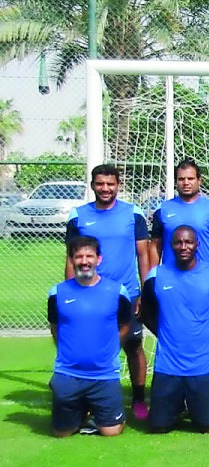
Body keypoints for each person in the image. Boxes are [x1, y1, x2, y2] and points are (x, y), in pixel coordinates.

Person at [66, 164, 151, 420]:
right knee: (90, 347)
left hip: (127, 295)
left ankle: (138, 399)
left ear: (118, 185)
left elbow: (143, 254)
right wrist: (70, 294)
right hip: (90, 295)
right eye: (100, 184)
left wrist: (145, 292)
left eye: (110, 184)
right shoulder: (78, 216)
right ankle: (90, 398)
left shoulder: (132, 213)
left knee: (133, 346)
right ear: (92, 185)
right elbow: (71, 259)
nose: (105, 188)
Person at [139, 226, 209, 434]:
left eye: (188, 242)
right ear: (171, 246)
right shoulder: (156, 276)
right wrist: (165, 332)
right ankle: (177, 405)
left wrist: (208, 333)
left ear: (197, 245)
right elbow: (146, 312)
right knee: (158, 427)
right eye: (178, 242)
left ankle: (198, 404)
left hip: (203, 366)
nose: (184, 247)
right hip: (168, 367)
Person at [48, 236, 133, 437]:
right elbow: (55, 328)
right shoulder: (57, 293)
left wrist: (110, 351)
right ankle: (78, 410)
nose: (84, 261)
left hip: (103, 374)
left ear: (99, 259)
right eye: (78, 257)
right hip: (68, 372)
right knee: (62, 433)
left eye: (89, 256)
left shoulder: (118, 292)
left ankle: (100, 413)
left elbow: (125, 325)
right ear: (71, 260)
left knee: (111, 432)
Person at [151, 159, 209, 269]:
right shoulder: (162, 210)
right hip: (171, 279)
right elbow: (156, 246)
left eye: (191, 179)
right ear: (176, 182)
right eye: (181, 179)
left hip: (203, 279)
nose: (186, 183)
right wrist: (152, 278)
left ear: (199, 181)